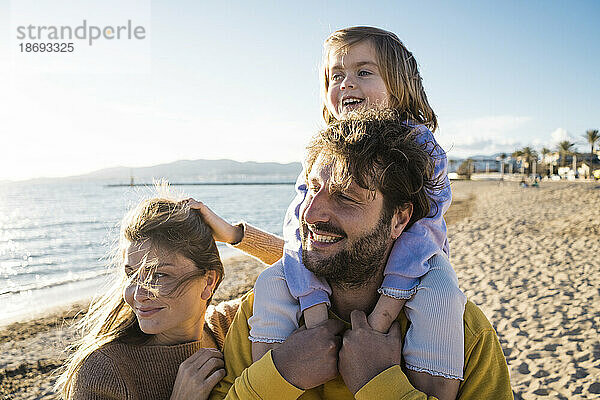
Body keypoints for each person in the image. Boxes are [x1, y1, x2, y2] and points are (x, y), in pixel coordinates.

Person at [194, 26, 464, 399]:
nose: (347, 84)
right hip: (322, 290)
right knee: (272, 281)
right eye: (336, 75)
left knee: (442, 293)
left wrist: (385, 312)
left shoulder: (422, 147)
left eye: (363, 72)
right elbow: (298, 232)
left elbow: (424, 233)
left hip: (414, 267)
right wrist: (316, 313)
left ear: (399, 85)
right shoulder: (325, 148)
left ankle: (430, 389)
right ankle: (283, 372)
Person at [209, 110, 513, 400]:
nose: (311, 214)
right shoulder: (260, 311)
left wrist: (378, 384)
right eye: (313, 190)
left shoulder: (463, 333)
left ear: (399, 219)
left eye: (345, 197)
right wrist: (281, 373)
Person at [58, 193, 239, 400]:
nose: (138, 295)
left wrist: (235, 235)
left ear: (208, 282)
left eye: (159, 275)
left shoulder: (225, 326)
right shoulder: (105, 371)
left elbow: (283, 275)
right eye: (131, 275)